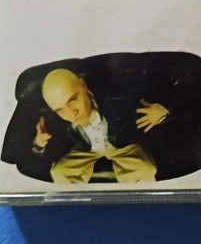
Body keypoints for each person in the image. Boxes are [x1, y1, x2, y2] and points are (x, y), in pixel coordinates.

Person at [34, 68, 168, 183]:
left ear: (83, 85)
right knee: (59, 173)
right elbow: (36, 151)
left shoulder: (115, 98)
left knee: (145, 169)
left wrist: (162, 113)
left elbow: (152, 107)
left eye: (73, 99)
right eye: (60, 109)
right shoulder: (54, 120)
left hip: (120, 146)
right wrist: (39, 144)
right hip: (86, 149)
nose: (71, 113)